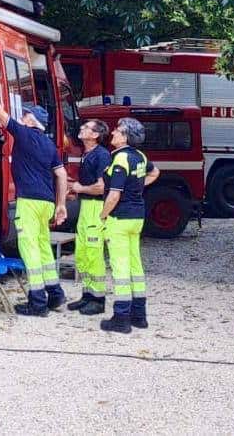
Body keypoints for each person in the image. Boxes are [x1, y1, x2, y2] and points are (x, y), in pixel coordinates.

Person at [0, 68, 68, 315]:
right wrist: (61, 204)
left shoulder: (25, 135)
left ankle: (38, 303)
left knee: (29, 249)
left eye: (26, 115)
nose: (22, 118)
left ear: (32, 121)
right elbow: (61, 174)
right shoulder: (49, 144)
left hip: (30, 203)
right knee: (43, 248)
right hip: (47, 203)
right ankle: (55, 294)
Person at [100, 117, 159, 334]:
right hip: (137, 217)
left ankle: (121, 318)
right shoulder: (141, 157)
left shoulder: (120, 159)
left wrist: (102, 216)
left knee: (120, 268)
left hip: (120, 219)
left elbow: (114, 195)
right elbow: (155, 173)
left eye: (117, 130)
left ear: (125, 137)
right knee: (136, 265)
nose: (113, 132)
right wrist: (136, 186)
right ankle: (139, 316)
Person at [67, 119, 111, 315]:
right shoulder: (87, 154)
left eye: (87, 128)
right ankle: (87, 294)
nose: (82, 129)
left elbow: (102, 187)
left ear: (95, 135)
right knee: (82, 252)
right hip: (86, 207)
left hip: (96, 208)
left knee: (94, 253)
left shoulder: (101, 155)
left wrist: (80, 188)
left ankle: (98, 299)